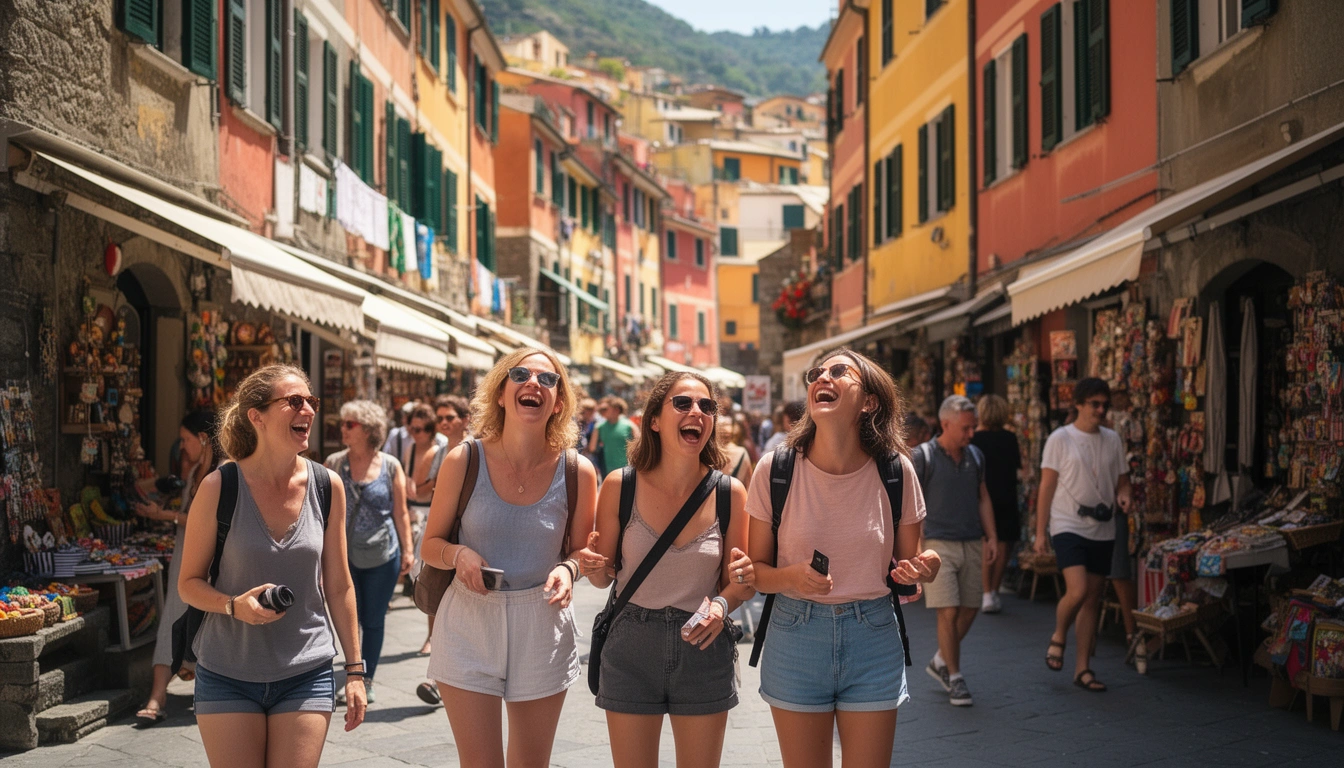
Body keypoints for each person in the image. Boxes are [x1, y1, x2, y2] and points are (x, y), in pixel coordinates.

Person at [745, 348, 941, 766]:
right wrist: (792, 577)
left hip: (873, 637)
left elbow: (909, 566)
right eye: (817, 372)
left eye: (838, 371)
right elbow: (755, 573)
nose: (822, 377)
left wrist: (926, 567)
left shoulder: (896, 470)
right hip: (795, 637)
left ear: (869, 401)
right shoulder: (774, 470)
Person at [421, 349, 601, 767]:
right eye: (520, 375)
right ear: (501, 394)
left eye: (548, 379)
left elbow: (581, 551)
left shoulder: (577, 470)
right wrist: (458, 553)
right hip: (469, 620)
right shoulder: (464, 459)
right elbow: (430, 544)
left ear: (559, 402)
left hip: (542, 620)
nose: (533, 383)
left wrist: (569, 568)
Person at [178, 364, 365, 767]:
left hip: (307, 670)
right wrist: (233, 606)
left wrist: (355, 671)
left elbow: (339, 586)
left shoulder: (326, 486)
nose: (308, 410)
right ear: (257, 416)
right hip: (227, 672)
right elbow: (188, 584)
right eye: (294, 401)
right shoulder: (219, 487)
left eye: (311, 401)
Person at [588, 371, 754, 767]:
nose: (696, 411)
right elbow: (601, 577)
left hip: (703, 643)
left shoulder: (730, 493)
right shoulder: (619, 485)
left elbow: (739, 585)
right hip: (631, 643)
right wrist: (592, 565)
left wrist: (723, 604)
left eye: (706, 406)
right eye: (683, 403)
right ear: (654, 421)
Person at [1035, 377, 1132, 694]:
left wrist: (1124, 496)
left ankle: (1083, 669)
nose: (1101, 410)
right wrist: (1040, 533)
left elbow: (1123, 482)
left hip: (1103, 527)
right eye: (1095, 404)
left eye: (1105, 405)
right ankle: (1059, 634)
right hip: (1068, 524)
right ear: (1078, 404)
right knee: (1077, 590)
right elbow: (1046, 487)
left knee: (1092, 600)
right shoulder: (1060, 438)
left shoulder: (1113, 439)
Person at [911, 395, 998, 707]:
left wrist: (992, 536)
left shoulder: (975, 455)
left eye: (973, 427)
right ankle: (956, 676)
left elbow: (983, 496)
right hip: (937, 544)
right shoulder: (923, 456)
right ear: (945, 424)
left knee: (971, 607)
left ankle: (941, 660)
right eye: (966, 428)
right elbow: (910, 505)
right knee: (948, 610)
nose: (971, 434)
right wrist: (916, 548)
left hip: (971, 540)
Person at [325, 400, 415, 705]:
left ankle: (366, 679)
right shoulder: (334, 463)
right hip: (343, 554)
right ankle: (354, 670)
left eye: (349, 424)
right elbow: (322, 512)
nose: (343, 429)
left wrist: (408, 550)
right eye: (342, 423)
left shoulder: (390, 465)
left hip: (383, 554)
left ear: (368, 430)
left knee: (373, 620)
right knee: (351, 617)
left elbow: (400, 512)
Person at [134, 409, 220, 725]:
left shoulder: (222, 473)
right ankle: (157, 697)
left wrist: (164, 516)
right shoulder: (196, 469)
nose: (182, 446)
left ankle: (211, 689)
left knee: (210, 624)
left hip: (213, 560)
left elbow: (206, 521)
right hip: (185, 555)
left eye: (186, 439)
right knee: (172, 618)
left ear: (203, 438)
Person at [972, 394, 1022, 614]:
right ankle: (994, 590)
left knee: (986, 542)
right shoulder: (1010, 438)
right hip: (1006, 493)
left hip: (983, 494)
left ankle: (986, 593)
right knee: (1003, 544)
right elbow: (1017, 467)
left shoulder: (974, 439)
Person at [592, 396, 639, 473]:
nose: (602, 412)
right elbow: (592, 448)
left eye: (606, 409)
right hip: (608, 471)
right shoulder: (599, 427)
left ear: (616, 410)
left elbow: (639, 447)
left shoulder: (630, 426)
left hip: (628, 470)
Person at [718, 412, 754, 485]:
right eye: (720, 426)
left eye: (727, 425)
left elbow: (749, 486)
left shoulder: (741, 453)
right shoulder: (706, 452)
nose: (723, 429)